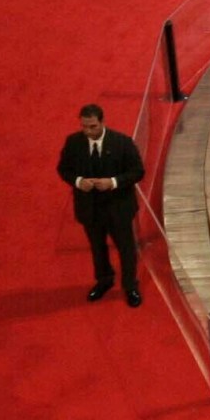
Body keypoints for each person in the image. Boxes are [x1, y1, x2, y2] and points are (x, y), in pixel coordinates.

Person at [56, 103, 144, 306]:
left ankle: (130, 286)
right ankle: (104, 280)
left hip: (118, 208)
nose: (88, 131)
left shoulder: (122, 143)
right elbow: (63, 169)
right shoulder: (73, 142)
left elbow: (138, 171)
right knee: (97, 247)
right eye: (84, 126)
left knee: (126, 249)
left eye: (92, 126)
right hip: (90, 209)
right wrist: (79, 182)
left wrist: (112, 182)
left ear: (103, 122)